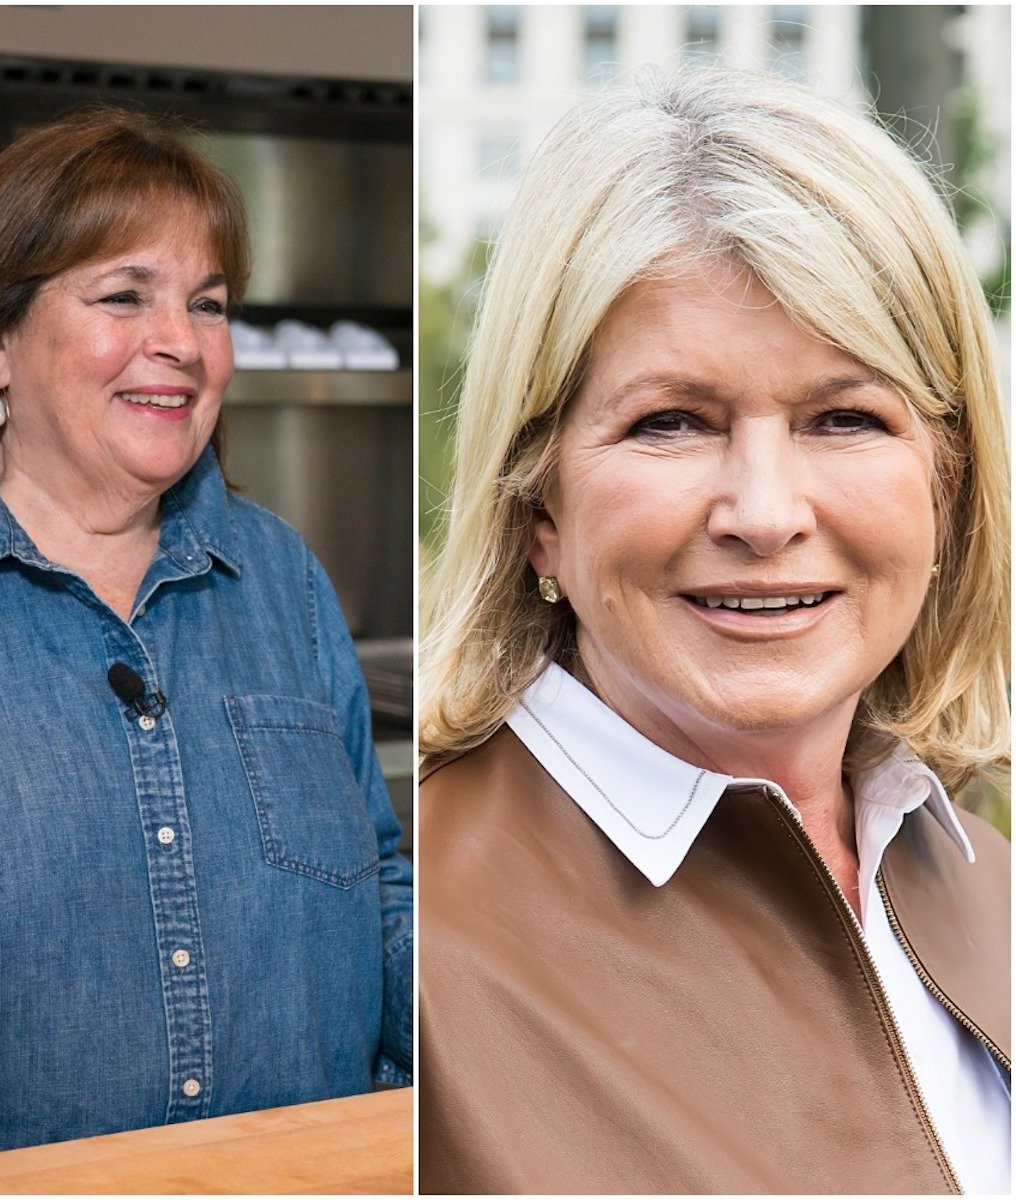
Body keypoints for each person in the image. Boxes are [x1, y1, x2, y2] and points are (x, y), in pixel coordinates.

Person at [419, 68, 1009, 1195]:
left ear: (947, 483)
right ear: (539, 508)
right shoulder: (424, 943)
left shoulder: (992, 883)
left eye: (845, 417)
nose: (766, 513)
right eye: (672, 422)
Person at [0, 109, 411, 1187]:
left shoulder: (283, 580)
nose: (181, 342)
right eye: (124, 295)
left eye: (209, 304)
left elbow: (379, 893)